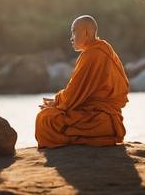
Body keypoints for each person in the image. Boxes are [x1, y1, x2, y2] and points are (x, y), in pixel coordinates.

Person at [35, 15, 130, 148]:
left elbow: (72, 95)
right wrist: (58, 101)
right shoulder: (104, 48)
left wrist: (56, 102)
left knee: (45, 118)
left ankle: (86, 137)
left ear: (86, 33)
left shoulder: (92, 54)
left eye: (74, 31)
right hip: (108, 120)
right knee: (50, 115)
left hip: (97, 120)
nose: (71, 37)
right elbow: (78, 92)